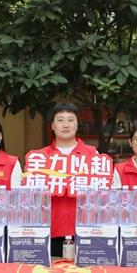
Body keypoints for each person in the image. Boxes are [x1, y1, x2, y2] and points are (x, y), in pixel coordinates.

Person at [35, 103, 98, 256]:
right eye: (60, 120)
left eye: (70, 120)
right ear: (52, 126)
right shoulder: (40, 158)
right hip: (50, 230)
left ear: (77, 125)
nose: (65, 125)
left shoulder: (92, 155)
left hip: (86, 230)